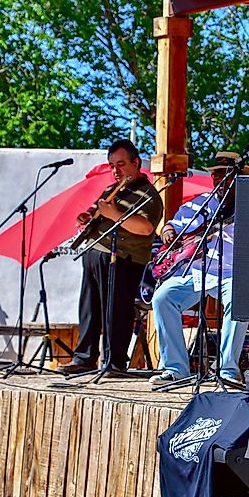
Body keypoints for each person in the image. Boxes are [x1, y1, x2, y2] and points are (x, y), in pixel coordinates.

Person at [59, 139, 163, 375]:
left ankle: (114, 361)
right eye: (112, 165)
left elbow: (145, 228)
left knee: (117, 309)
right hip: (96, 253)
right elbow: (99, 214)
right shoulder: (111, 190)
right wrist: (88, 217)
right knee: (89, 308)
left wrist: (114, 213)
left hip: (124, 258)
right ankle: (85, 357)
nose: (116, 171)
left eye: (121, 164)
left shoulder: (148, 195)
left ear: (136, 163)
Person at [148, 151, 249, 387]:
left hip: (232, 273)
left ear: (237, 177)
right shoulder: (203, 202)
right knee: (163, 297)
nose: (218, 180)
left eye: (224, 175)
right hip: (198, 271)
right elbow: (174, 224)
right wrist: (168, 231)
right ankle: (175, 369)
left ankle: (227, 369)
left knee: (240, 299)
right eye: (215, 175)